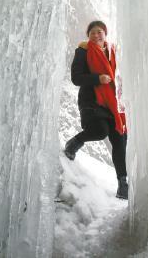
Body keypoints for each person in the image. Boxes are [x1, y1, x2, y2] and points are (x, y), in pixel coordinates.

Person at [63, 20, 128, 200]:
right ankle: (74, 143)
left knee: (120, 139)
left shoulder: (113, 52)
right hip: (91, 100)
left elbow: (119, 76)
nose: (96, 35)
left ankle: (123, 184)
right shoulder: (83, 51)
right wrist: (98, 78)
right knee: (100, 131)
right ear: (88, 36)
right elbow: (76, 78)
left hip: (113, 104)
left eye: (99, 32)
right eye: (93, 32)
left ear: (105, 34)